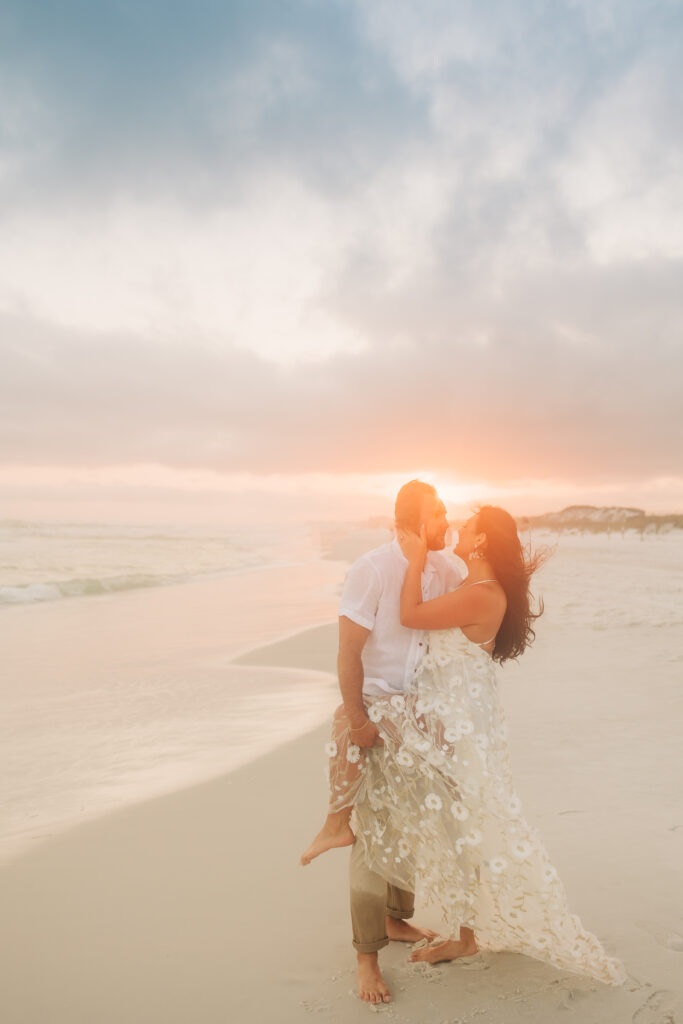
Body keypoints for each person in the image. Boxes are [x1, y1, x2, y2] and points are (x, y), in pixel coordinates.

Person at [347, 505, 626, 986]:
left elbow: (410, 613)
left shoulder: (482, 594)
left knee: (468, 825)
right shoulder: (471, 584)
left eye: (468, 526)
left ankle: (464, 936)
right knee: (464, 821)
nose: (457, 527)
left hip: (455, 722)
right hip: (452, 717)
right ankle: (450, 927)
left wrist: (413, 557)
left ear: (479, 543)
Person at [301, 480, 465, 1005]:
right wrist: (357, 721)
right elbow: (348, 653)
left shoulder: (444, 567)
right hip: (373, 710)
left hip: (423, 715)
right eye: (439, 515)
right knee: (372, 828)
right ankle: (366, 957)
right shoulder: (371, 569)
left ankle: (396, 920)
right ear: (413, 523)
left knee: (410, 820)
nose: (447, 523)